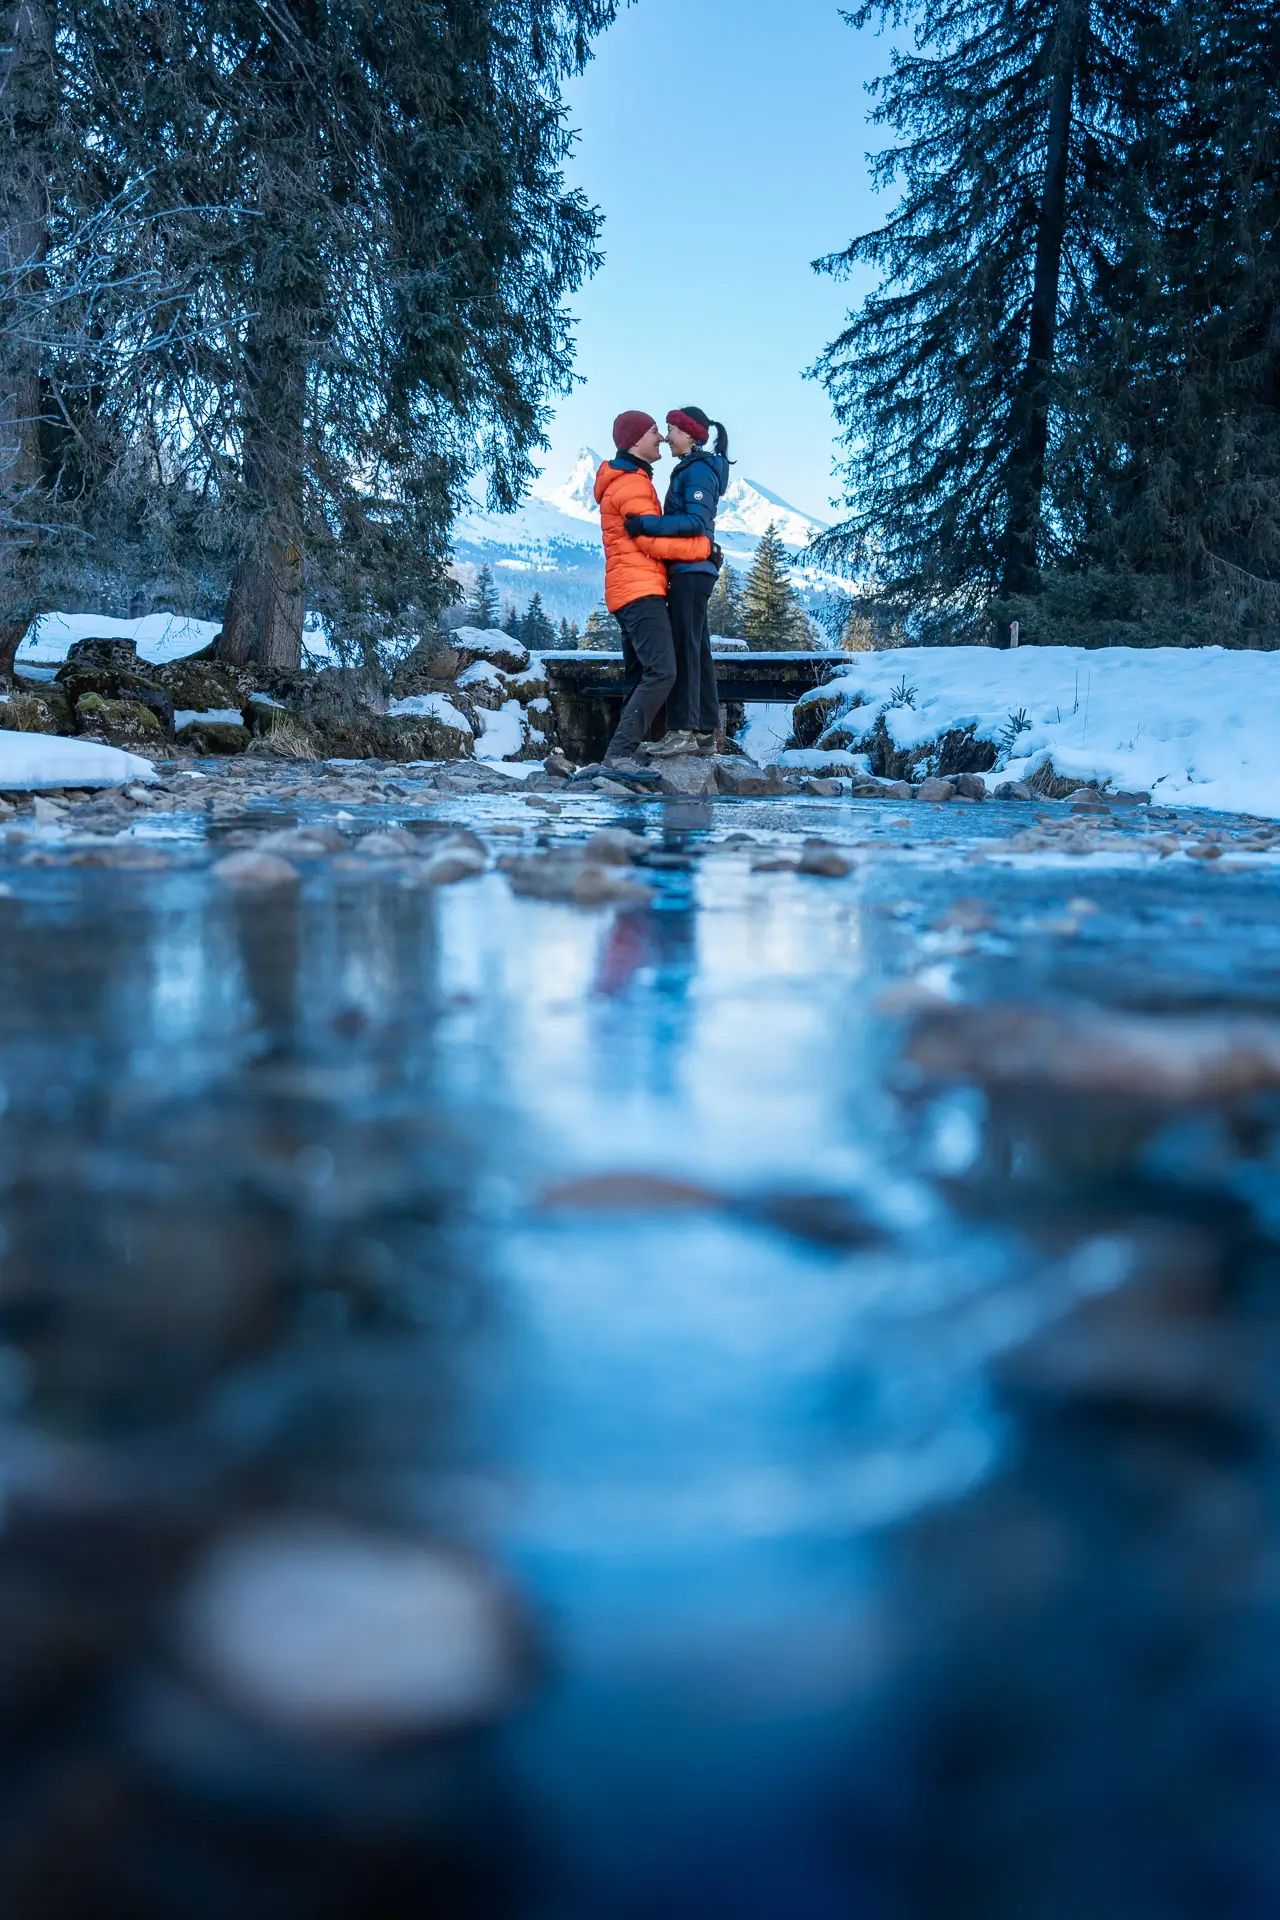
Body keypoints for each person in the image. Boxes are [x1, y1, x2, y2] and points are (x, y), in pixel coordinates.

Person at [593, 411, 711, 773]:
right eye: (654, 432)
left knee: (641, 674)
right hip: (639, 590)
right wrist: (702, 549)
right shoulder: (631, 483)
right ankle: (620, 753)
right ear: (635, 442)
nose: (660, 437)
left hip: (628, 590)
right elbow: (646, 539)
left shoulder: (631, 478)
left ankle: (625, 754)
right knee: (662, 672)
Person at [624, 406, 730, 758]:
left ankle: (683, 730)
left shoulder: (697, 470)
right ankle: (703, 733)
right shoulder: (694, 467)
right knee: (697, 649)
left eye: (671, 429)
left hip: (691, 571)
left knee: (685, 651)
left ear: (690, 435)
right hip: (693, 571)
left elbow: (695, 522)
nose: (667, 437)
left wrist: (647, 525)